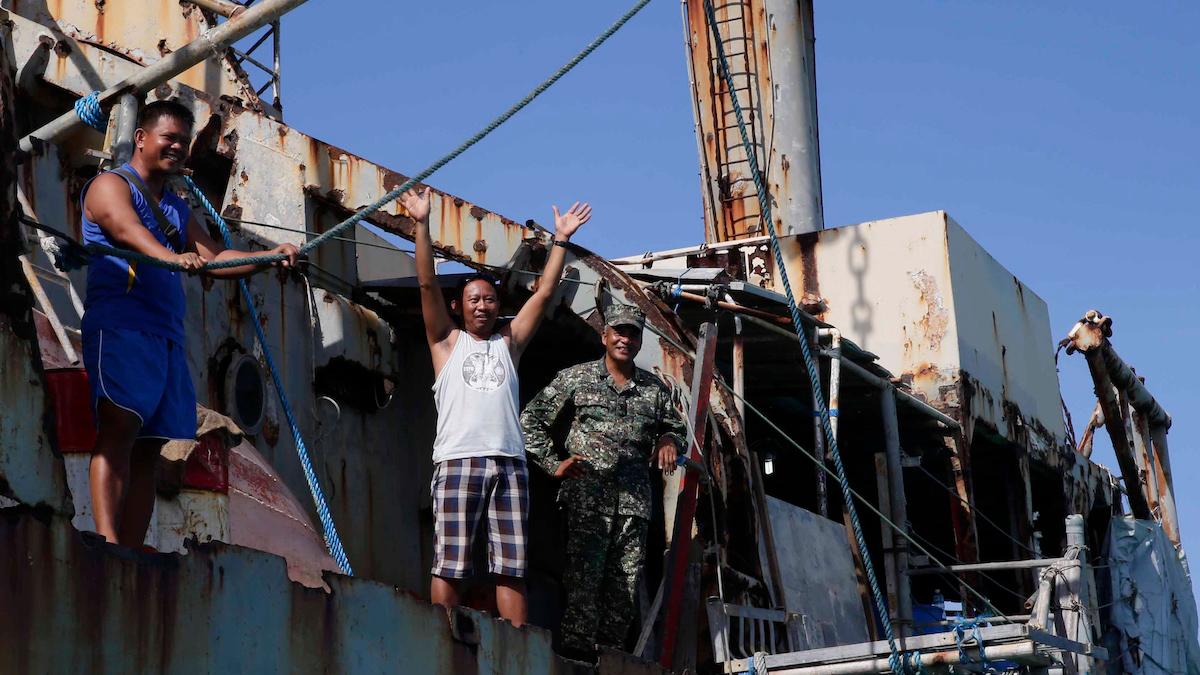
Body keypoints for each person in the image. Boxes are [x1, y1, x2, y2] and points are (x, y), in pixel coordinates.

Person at [81, 99, 299, 547]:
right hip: (121, 326)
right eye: (169, 138)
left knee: (150, 445)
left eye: (184, 139)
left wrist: (267, 257)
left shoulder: (177, 209)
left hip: (165, 337)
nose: (178, 147)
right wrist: (170, 257)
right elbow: (125, 230)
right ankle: (104, 540)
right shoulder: (110, 185)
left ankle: (130, 546)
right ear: (141, 138)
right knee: (119, 427)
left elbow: (215, 260)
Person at [399, 185, 591, 627]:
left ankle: (518, 648)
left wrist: (561, 239)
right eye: (473, 300)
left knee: (512, 568)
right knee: (450, 562)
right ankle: (441, 639)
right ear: (458, 307)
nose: (483, 306)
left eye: (489, 300)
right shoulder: (445, 343)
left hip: (509, 464)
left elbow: (543, 295)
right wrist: (422, 224)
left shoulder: (509, 344)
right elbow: (426, 282)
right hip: (458, 461)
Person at [520, 304, 687, 658]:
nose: (625, 339)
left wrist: (668, 440)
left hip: (632, 506)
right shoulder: (576, 378)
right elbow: (529, 420)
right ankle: (576, 660)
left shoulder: (653, 390)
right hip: (587, 502)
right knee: (582, 586)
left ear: (640, 340)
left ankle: (610, 660)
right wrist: (553, 464)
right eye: (619, 332)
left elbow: (675, 428)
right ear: (605, 336)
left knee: (623, 592)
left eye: (633, 334)